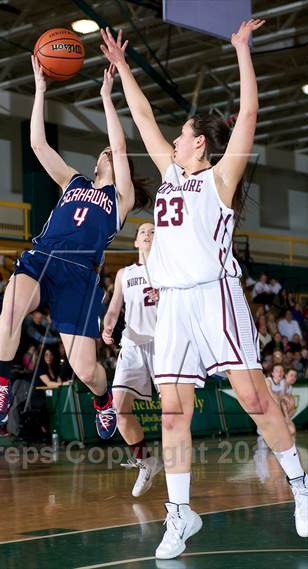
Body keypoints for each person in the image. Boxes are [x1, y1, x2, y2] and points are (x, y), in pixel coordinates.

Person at [101, 19, 307, 559]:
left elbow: (251, 116)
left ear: (200, 144)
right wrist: (123, 68)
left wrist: (241, 50)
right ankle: (180, 514)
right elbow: (142, 116)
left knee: (255, 397)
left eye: (182, 132)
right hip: (172, 304)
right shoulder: (171, 174)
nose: (173, 136)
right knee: (172, 412)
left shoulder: (219, 180)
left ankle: (301, 488)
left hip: (214, 295)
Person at [0, 55, 152, 441]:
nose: (107, 152)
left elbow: (121, 147)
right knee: (9, 312)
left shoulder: (120, 199)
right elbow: (38, 144)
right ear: (94, 163)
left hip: (80, 277)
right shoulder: (72, 182)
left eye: (109, 151)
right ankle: (1, 385)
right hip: (43, 258)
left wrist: (107, 97)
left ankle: (103, 399)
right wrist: (40, 91)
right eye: (103, 152)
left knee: (86, 371)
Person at [102, 222, 163, 497]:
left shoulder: (169, 269)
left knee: (174, 410)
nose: (147, 234)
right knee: (119, 410)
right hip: (132, 344)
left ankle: (178, 480)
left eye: (152, 232)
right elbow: (115, 307)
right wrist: (108, 325)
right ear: (136, 242)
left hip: (163, 343)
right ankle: (146, 461)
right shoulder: (124, 274)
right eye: (142, 232)